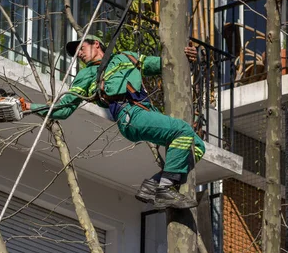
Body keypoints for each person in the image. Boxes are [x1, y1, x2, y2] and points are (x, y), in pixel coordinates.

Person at [27, 35, 206, 209]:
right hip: (129, 115)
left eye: (81, 48)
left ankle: (155, 184)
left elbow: (163, 64)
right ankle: (166, 188)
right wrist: (28, 107)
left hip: (145, 112)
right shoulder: (87, 74)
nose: (78, 54)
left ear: (96, 44)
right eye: (76, 54)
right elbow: (64, 109)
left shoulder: (126, 57)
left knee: (197, 146)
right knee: (182, 129)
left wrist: (185, 56)